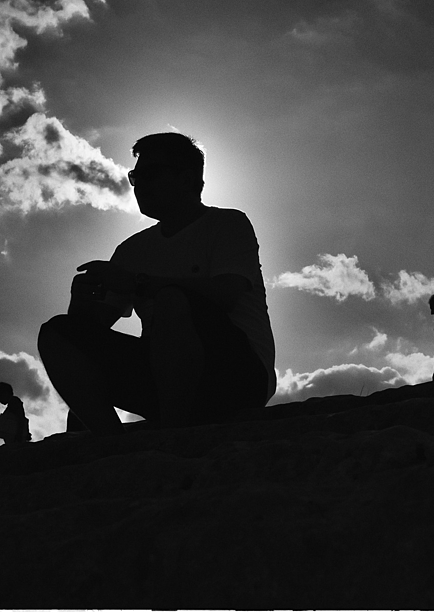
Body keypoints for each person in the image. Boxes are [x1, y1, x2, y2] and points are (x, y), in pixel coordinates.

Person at [38, 132, 276, 436]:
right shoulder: (132, 250)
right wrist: (81, 300)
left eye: (151, 174)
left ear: (187, 179)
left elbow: (227, 293)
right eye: (136, 177)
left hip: (235, 375)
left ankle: (172, 438)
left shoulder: (227, 224)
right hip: (161, 377)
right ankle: (110, 442)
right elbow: (92, 331)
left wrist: (139, 284)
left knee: (173, 300)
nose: (140, 185)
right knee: (55, 333)